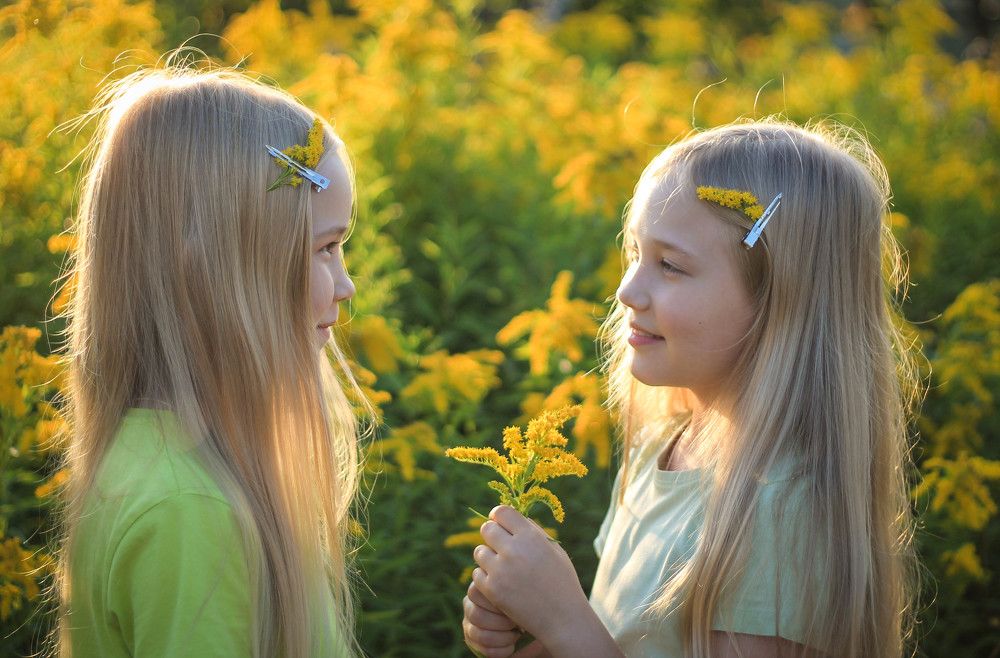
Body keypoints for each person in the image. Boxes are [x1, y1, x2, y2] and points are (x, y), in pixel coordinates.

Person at [462, 120, 920, 658]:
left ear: (780, 302)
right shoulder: (662, 446)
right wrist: (534, 623)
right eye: (634, 253)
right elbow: (625, 638)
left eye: (671, 266)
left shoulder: (778, 513)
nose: (627, 290)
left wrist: (565, 622)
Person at [51, 55, 367, 657]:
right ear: (224, 267)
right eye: (326, 248)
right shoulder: (191, 512)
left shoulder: (173, 465)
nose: (345, 285)